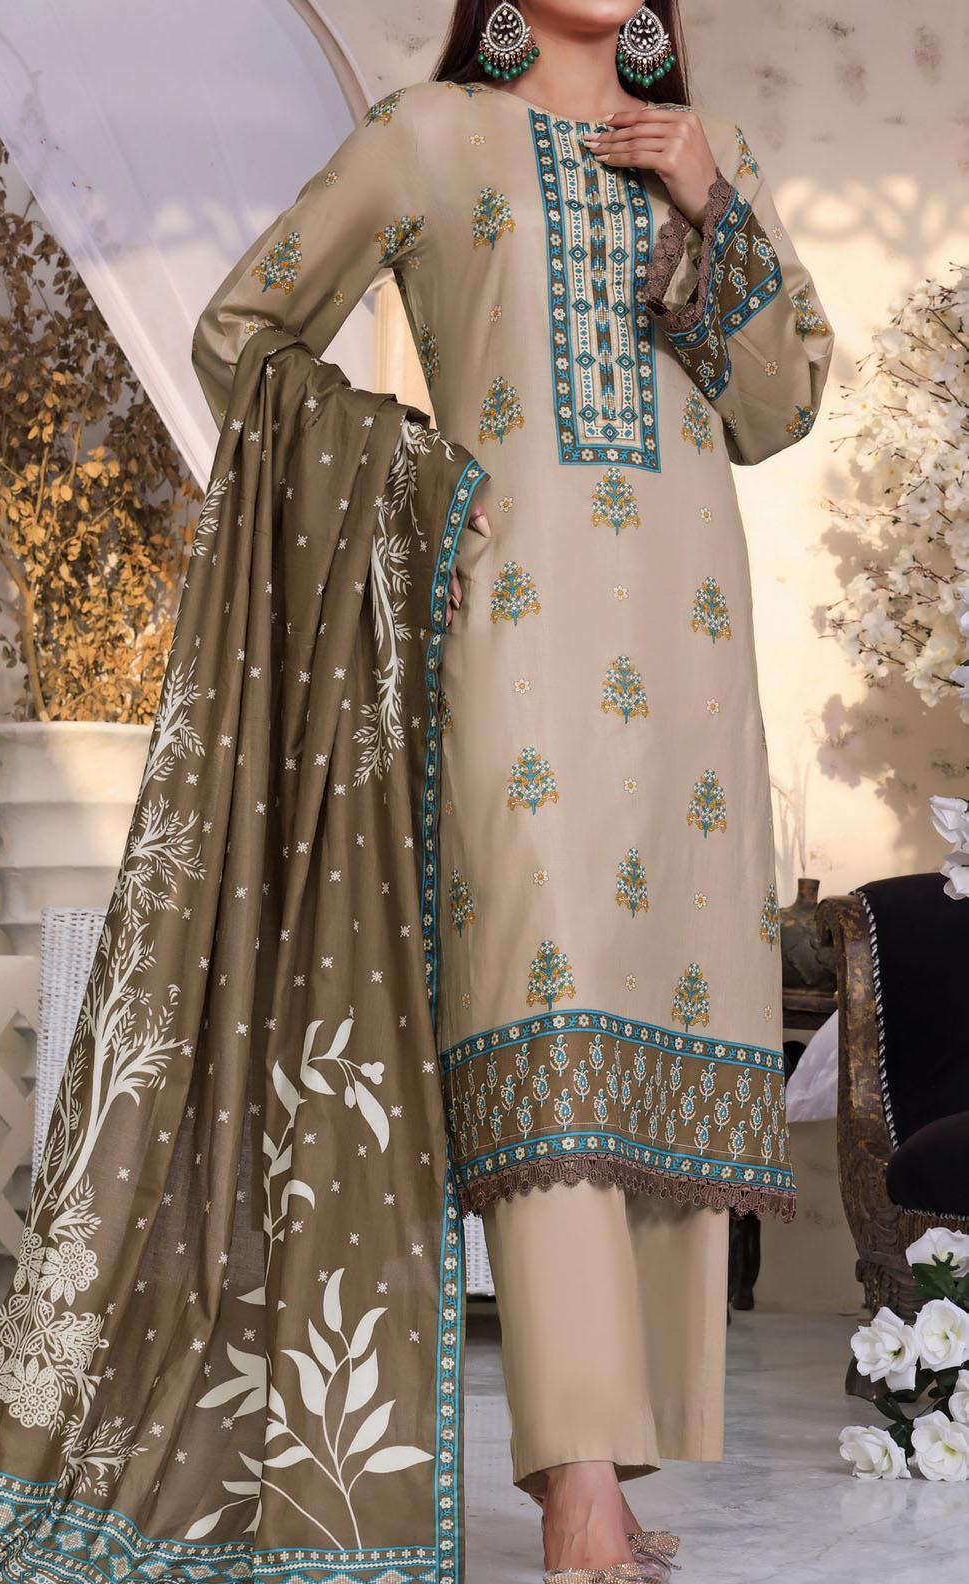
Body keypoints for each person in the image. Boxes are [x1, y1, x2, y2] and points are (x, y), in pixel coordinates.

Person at [191, 3, 831, 1581]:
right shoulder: (429, 137)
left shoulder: (711, 156)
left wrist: (708, 204)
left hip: (690, 658)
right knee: (540, 1025)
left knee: (665, 1031)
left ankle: (615, 1456)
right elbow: (242, 335)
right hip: (512, 642)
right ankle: (573, 1487)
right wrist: (407, 483)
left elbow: (775, 409)